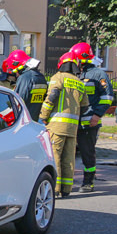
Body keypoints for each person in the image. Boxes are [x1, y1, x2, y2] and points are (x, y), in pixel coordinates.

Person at [39, 51, 89, 198]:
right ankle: (67, 189)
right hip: (72, 128)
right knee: (69, 158)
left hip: (56, 126)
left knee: (55, 157)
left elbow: (51, 97)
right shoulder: (80, 83)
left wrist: (43, 116)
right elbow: (85, 106)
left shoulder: (58, 78)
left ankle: (55, 189)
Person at [70, 42, 114, 192]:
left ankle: (88, 182)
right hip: (72, 122)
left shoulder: (98, 74)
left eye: (75, 58)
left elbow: (107, 97)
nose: (73, 61)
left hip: (89, 122)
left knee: (87, 153)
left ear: (82, 58)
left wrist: (96, 115)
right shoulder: (75, 74)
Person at [5, 49, 48, 122]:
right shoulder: (41, 77)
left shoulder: (25, 78)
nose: (16, 74)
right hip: (35, 121)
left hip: (24, 122)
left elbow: (19, 102)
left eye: (15, 70)